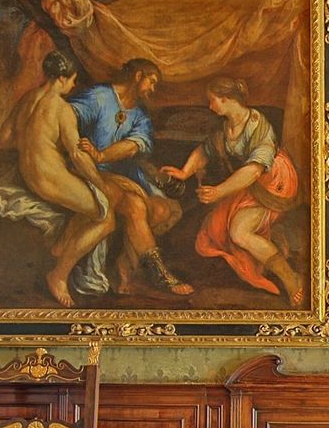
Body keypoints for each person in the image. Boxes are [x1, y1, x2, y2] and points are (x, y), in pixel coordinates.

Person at [161, 76, 306, 307]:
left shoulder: (258, 125)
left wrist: (219, 191)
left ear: (227, 99)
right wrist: (184, 172)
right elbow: (205, 150)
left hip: (274, 182)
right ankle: (269, 252)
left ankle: (290, 277)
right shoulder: (227, 127)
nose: (210, 106)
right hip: (250, 183)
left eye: (213, 100)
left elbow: (254, 170)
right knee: (216, 226)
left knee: (239, 232)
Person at [0, 50, 117, 309]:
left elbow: (3, 139)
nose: (73, 86)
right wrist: (100, 183)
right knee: (107, 217)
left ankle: (62, 246)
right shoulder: (62, 109)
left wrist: (34, 142)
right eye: (72, 80)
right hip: (50, 178)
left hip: (28, 174)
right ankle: (59, 274)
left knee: (89, 206)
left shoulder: (28, 99)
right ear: (61, 78)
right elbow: (78, 156)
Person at [69, 58, 191, 297]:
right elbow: (65, 120)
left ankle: (125, 262)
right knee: (136, 207)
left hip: (125, 173)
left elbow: (135, 145)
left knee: (161, 211)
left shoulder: (140, 114)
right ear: (138, 76)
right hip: (91, 171)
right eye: (151, 81)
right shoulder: (99, 96)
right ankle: (160, 273)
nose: (152, 89)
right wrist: (87, 154)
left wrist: (102, 153)